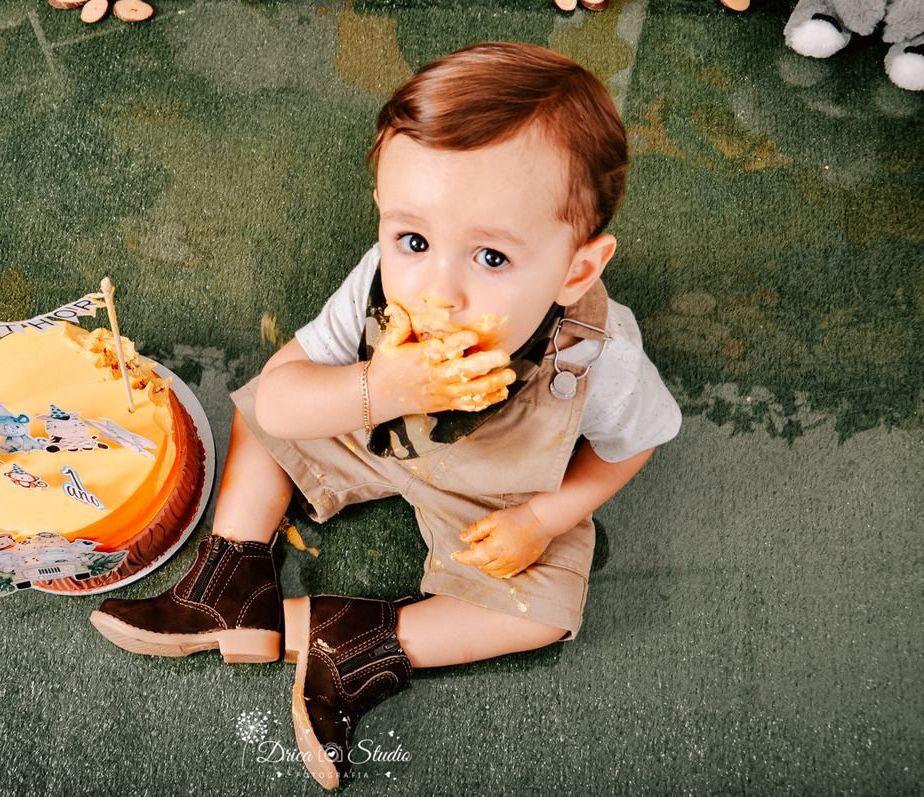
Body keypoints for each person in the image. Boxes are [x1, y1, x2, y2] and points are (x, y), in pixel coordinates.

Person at [90, 42, 682, 789]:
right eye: (413, 239)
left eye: (491, 258)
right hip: (374, 432)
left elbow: (635, 445)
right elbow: (280, 394)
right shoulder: (377, 283)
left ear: (576, 270)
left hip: (495, 494)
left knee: (542, 611)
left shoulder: (601, 352)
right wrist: (380, 387)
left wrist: (546, 515)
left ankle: (352, 635)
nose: (438, 286)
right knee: (263, 420)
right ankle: (229, 573)